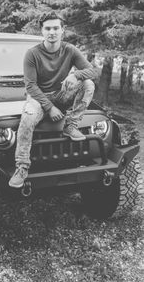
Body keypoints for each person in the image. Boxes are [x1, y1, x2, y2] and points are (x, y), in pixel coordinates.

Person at [9, 11, 96, 189]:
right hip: (38, 98)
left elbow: (92, 71)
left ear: (62, 30)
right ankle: (22, 167)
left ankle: (70, 126)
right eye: (48, 28)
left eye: (56, 28)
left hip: (61, 93)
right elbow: (31, 86)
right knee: (27, 118)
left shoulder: (70, 50)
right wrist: (50, 108)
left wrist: (76, 75)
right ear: (42, 31)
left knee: (87, 84)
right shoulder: (32, 54)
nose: (52, 32)